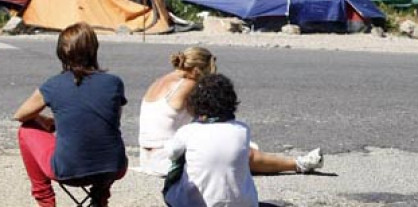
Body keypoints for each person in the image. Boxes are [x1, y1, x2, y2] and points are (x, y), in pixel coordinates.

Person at [137, 46, 322, 176]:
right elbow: (206, 119)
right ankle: (299, 163)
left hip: (148, 157)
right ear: (196, 70)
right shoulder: (188, 84)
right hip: (166, 158)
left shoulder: (160, 81)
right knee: (238, 152)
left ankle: (291, 162)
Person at [13, 22, 128, 207]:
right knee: (104, 137)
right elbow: (112, 120)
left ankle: (46, 202)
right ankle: (100, 198)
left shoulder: (53, 85)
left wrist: (45, 120)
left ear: (61, 53)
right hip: (114, 168)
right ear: (94, 50)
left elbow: (20, 115)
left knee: (25, 130)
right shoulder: (114, 83)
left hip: (69, 170)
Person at [163, 73, 258, 206]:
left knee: (182, 158)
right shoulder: (243, 129)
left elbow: (171, 153)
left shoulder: (189, 131)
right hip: (246, 203)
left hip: (196, 203)